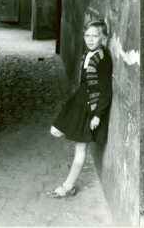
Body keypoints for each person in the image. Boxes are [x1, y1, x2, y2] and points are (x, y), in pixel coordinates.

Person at [47, 20, 112, 198]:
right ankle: (74, 172)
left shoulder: (103, 59)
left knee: (80, 148)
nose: (90, 40)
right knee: (55, 131)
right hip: (77, 102)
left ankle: (68, 186)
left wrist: (97, 115)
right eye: (87, 36)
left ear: (103, 37)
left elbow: (106, 90)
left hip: (90, 107)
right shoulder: (89, 53)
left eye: (95, 36)